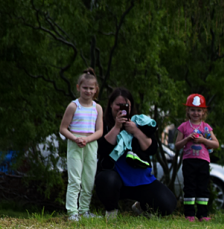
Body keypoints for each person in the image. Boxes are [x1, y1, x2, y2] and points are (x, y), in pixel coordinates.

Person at [95, 87, 177, 219]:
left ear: (131, 106)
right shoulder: (103, 124)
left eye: (125, 105)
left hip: (140, 179)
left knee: (168, 204)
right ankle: (111, 213)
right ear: (110, 104)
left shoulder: (140, 122)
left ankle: (141, 206)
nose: (121, 109)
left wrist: (136, 131)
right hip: (116, 178)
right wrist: (117, 127)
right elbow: (101, 150)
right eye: (118, 105)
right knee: (105, 180)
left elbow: (152, 149)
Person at [59, 68, 104, 221]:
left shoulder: (97, 108)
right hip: (75, 144)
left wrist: (88, 140)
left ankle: (84, 210)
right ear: (78, 87)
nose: (88, 91)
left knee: (88, 179)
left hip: (90, 144)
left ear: (96, 89)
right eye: (85, 88)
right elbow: (63, 128)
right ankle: (72, 212)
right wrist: (75, 138)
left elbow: (99, 131)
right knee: (75, 179)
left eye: (91, 88)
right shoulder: (73, 106)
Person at [173, 94, 220, 222]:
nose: (196, 113)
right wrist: (187, 139)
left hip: (203, 162)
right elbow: (177, 145)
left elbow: (216, 144)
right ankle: (189, 214)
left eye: (199, 110)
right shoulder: (183, 127)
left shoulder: (206, 127)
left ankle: (202, 215)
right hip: (189, 161)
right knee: (189, 187)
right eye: (192, 110)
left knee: (203, 187)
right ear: (187, 110)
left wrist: (203, 140)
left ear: (203, 112)